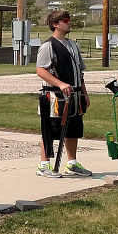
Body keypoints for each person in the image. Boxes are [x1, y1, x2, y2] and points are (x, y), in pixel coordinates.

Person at [36, 9, 92, 177]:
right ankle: (44, 165)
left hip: (74, 95)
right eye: (65, 20)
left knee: (73, 129)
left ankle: (72, 163)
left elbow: (79, 73)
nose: (69, 23)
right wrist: (60, 84)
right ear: (55, 24)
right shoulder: (48, 46)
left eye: (69, 20)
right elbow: (41, 70)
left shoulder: (73, 45)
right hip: (54, 97)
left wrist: (85, 94)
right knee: (50, 130)